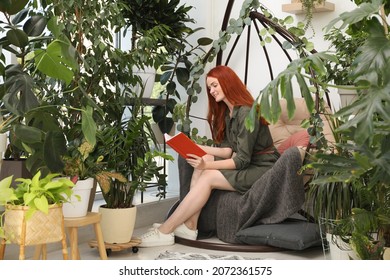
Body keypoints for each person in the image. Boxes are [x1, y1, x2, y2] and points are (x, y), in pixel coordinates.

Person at [139, 65, 280, 247]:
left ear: (228, 83)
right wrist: (196, 147)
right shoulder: (230, 113)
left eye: (215, 85)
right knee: (204, 160)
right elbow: (227, 151)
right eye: (209, 88)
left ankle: (165, 231)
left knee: (207, 174)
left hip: (263, 168)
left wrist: (206, 167)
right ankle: (190, 227)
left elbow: (242, 160)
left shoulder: (246, 112)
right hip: (250, 163)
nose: (211, 91)